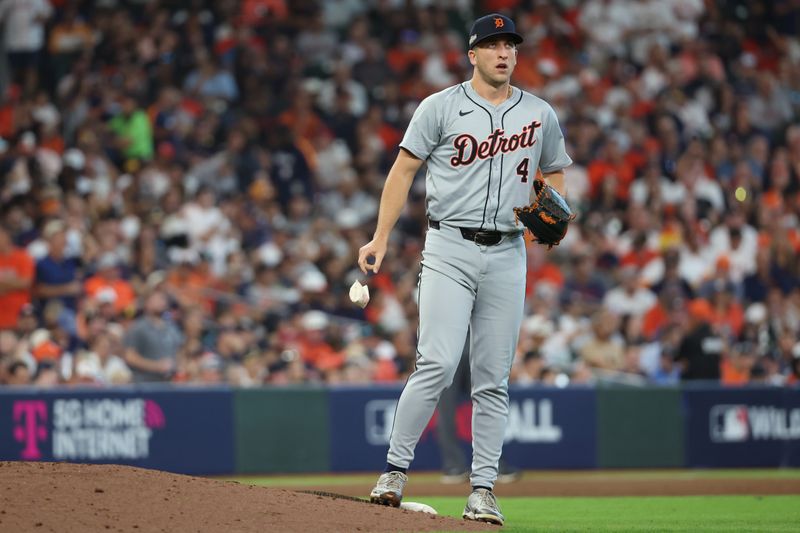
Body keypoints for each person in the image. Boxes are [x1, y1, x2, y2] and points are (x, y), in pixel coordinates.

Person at [359, 13, 571, 526]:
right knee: (435, 362)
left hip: (507, 252)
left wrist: (555, 204)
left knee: (493, 379)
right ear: (472, 54)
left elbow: (557, 171)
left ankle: (482, 491)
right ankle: (393, 473)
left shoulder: (539, 113)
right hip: (448, 245)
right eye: (493, 45)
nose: (503, 53)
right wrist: (381, 236)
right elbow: (404, 168)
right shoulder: (440, 107)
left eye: (510, 45)